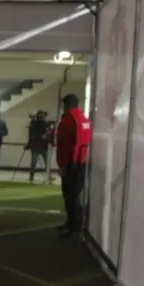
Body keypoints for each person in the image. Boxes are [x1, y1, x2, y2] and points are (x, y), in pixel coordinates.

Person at [56, 93, 92, 237]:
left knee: (70, 195)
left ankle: (73, 225)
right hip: (82, 161)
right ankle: (74, 223)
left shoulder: (68, 120)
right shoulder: (84, 119)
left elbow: (65, 145)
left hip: (72, 162)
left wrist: (62, 165)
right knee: (76, 194)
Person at [27, 110, 51, 182]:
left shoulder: (36, 123)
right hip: (38, 145)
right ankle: (32, 175)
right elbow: (32, 134)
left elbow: (31, 134)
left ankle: (32, 176)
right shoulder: (41, 123)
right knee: (37, 162)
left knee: (41, 162)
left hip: (40, 145)